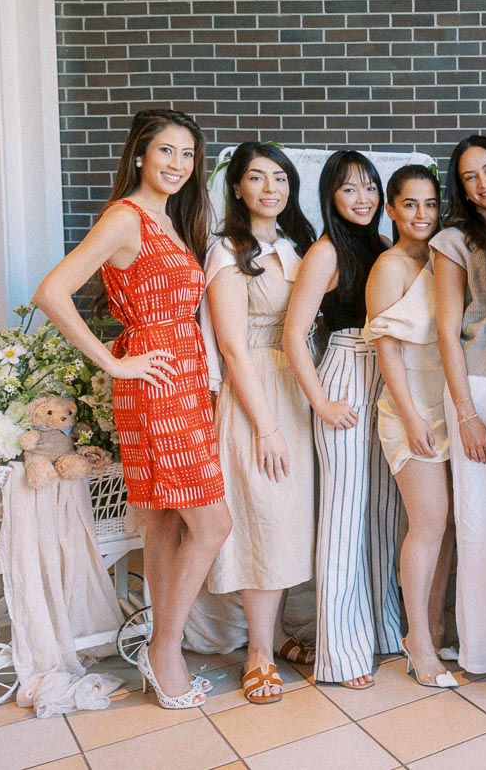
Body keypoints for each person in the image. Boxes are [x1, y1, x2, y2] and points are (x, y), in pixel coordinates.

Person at [33, 108, 231, 710]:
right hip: (156, 386)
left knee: (168, 519)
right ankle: (165, 652)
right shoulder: (125, 216)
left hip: (184, 381)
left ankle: (159, 646)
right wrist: (115, 363)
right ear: (140, 154)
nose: (178, 164)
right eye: (166, 150)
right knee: (213, 524)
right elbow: (51, 291)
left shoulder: (171, 220)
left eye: (188, 155)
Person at [198, 142, 318, 704]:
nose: (271, 188)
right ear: (237, 188)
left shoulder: (295, 245)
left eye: (280, 178)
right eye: (257, 177)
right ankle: (258, 653)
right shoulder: (228, 251)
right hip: (257, 393)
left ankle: (279, 634)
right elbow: (231, 346)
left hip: (297, 388)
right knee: (263, 517)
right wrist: (266, 426)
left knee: (289, 519)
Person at [282, 150, 398, 690]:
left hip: (387, 376)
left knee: (383, 513)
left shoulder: (383, 245)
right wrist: (321, 403)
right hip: (345, 373)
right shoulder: (326, 251)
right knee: (345, 517)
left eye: (370, 187)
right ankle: (341, 654)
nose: (363, 198)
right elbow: (293, 335)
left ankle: (382, 632)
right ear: (330, 194)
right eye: (350, 188)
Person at [432, 136, 486, 675]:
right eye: (470, 176)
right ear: (461, 188)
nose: (484, 183)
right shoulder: (453, 241)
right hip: (481, 385)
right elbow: (447, 331)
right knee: (482, 520)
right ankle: (483, 649)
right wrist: (466, 414)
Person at [365, 165, 457, 689]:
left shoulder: (443, 258)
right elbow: (388, 352)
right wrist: (412, 415)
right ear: (392, 209)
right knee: (428, 524)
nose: (421, 214)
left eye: (430, 204)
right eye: (410, 204)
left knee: (447, 527)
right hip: (410, 410)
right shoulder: (390, 265)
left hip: (447, 404)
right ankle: (417, 640)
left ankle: (436, 628)